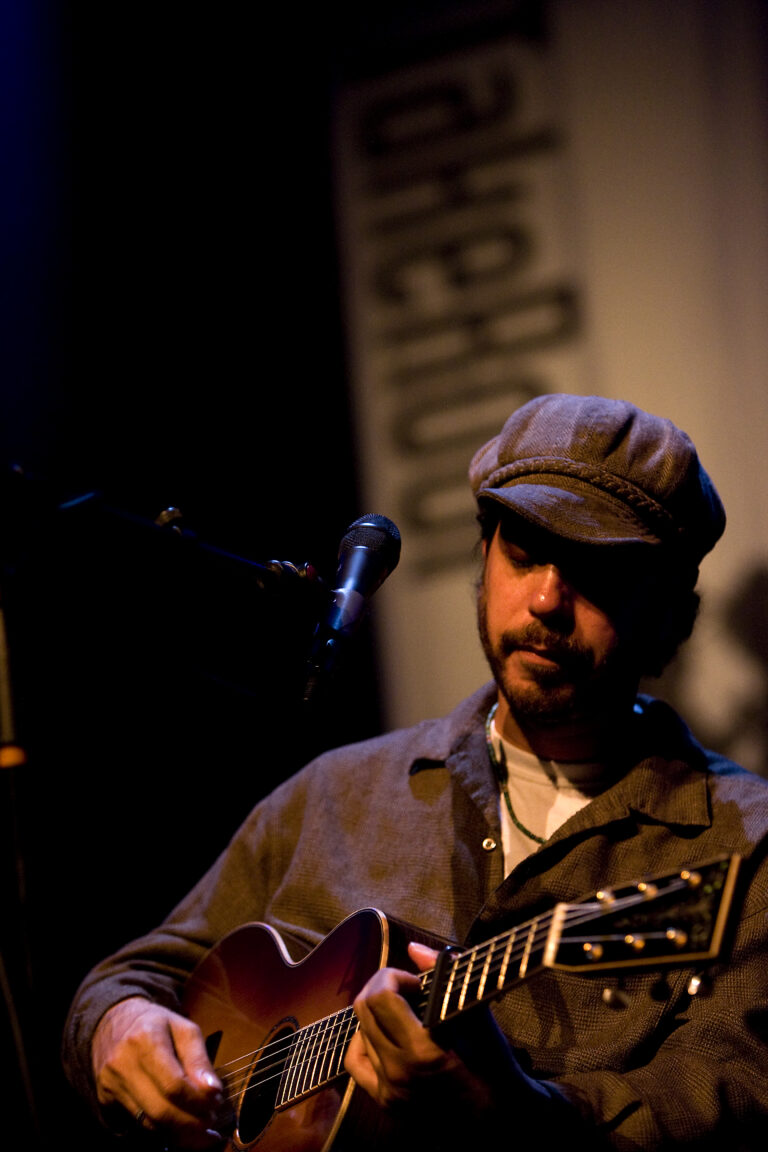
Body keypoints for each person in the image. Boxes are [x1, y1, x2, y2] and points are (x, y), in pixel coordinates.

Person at [62, 393, 768, 1150]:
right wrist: (115, 1021)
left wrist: (509, 1115)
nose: (545, 600)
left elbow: (731, 1106)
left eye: (595, 572)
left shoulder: (744, 847)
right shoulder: (337, 792)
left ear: (672, 616)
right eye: (523, 553)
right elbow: (135, 975)